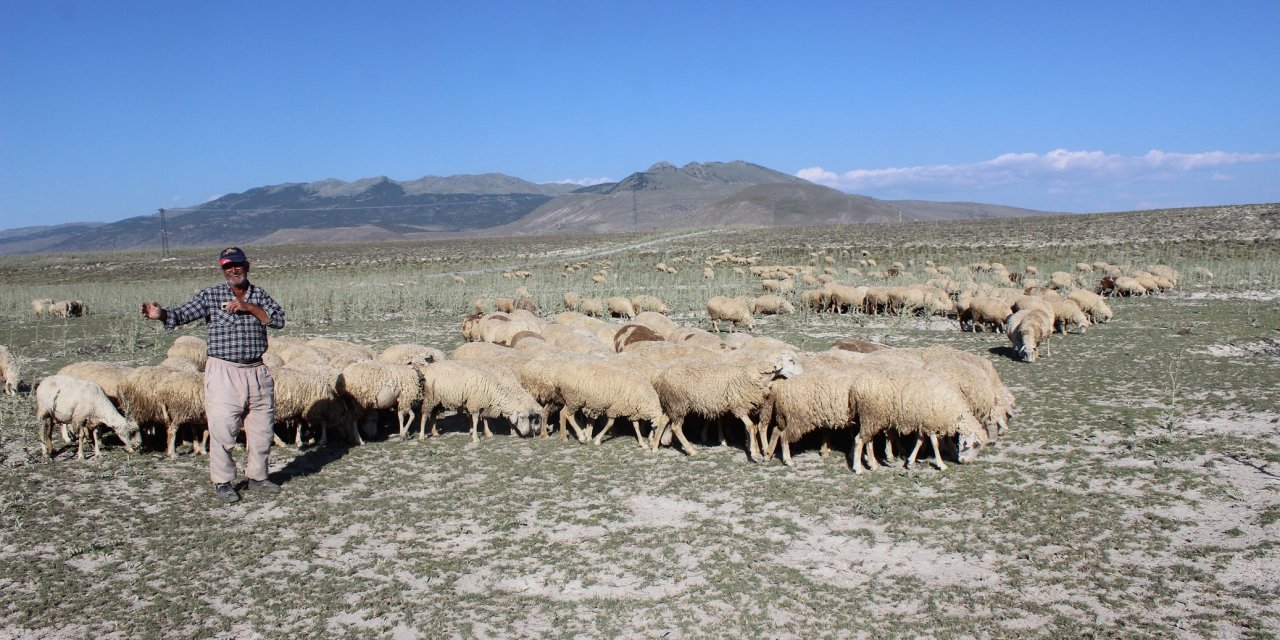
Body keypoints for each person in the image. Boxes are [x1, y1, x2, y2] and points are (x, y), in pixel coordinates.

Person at [141, 247, 286, 503]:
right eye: (227, 267)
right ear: (223, 270)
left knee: (262, 429)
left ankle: (258, 477)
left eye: (237, 265)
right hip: (224, 371)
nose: (233, 270)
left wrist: (248, 307)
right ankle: (223, 482)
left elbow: (277, 320)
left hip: (256, 369)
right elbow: (183, 314)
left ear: (247, 266)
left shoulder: (259, 295)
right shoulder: (211, 295)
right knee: (223, 428)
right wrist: (161, 314)